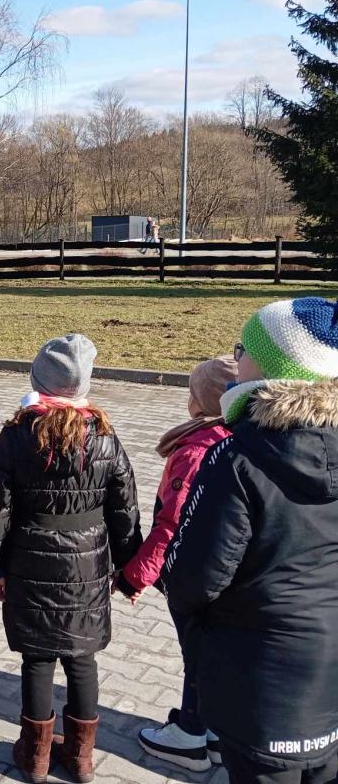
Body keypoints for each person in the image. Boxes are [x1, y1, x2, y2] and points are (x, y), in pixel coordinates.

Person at [164, 298, 338, 784]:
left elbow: (193, 578)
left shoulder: (236, 457)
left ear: (267, 366)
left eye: (242, 349)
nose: (234, 358)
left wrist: (203, 646)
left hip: (257, 682)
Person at [0, 334, 141, 784]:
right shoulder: (105, 437)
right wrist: (128, 570)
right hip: (87, 567)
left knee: (37, 658)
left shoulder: (14, 436)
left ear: (36, 379)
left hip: (28, 562)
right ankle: (82, 758)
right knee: (82, 658)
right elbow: (125, 510)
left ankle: (36, 758)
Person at [118, 357, 237, 772]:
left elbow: (172, 521)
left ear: (203, 401)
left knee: (197, 653)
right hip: (227, 571)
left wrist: (136, 576)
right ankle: (218, 731)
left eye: (192, 392)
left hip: (191, 572)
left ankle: (189, 736)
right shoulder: (236, 438)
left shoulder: (196, 449)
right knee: (216, 653)